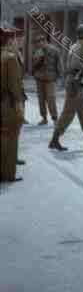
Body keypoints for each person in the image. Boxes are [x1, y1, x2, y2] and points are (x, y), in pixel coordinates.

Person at [0, 23, 25, 183]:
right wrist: (19, 107)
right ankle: (8, 174)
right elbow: (15, 87)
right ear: (9, 41)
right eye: (13, 38)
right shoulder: (9, 58)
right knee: (10, 139)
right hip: (7, 104)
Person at [32, 34, 62, 125]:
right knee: (41, 99)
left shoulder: (55, 50)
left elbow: (59, 64)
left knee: (50, 98)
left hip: (50, 78)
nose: (38, 45)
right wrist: (39, 59)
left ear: (44, 41)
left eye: (40, 43)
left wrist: (60, 78)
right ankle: (44, 118)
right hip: (40, 78)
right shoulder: (37, 52)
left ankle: (55, 118)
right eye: (37, 43)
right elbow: (33, 66)